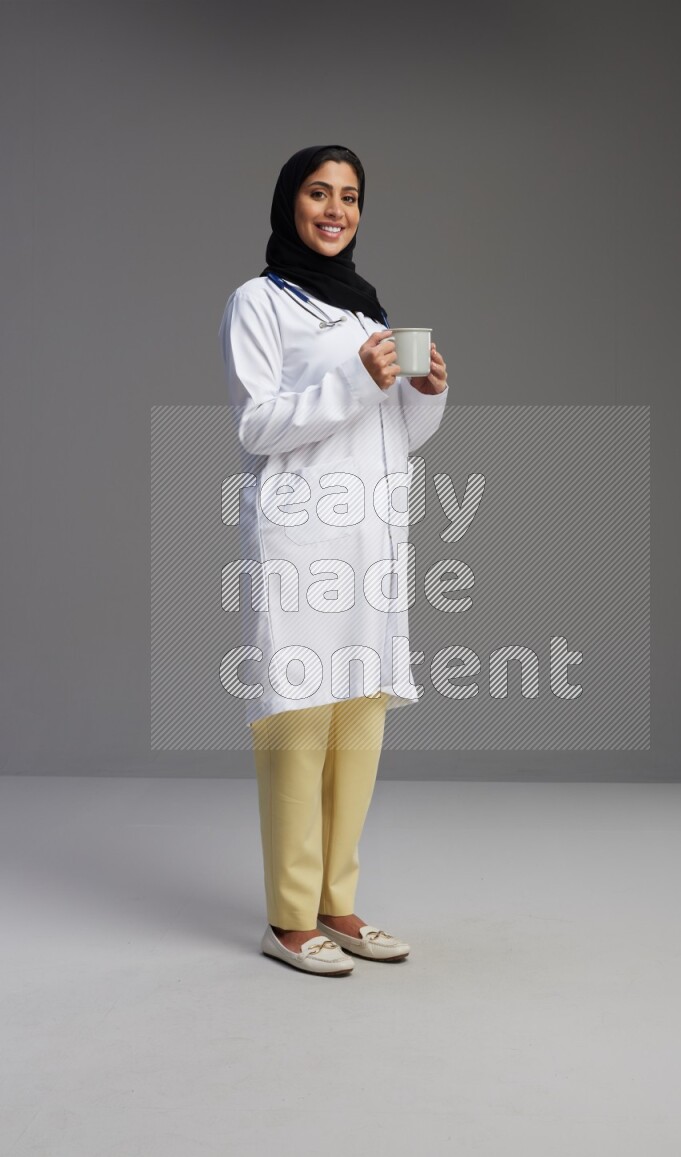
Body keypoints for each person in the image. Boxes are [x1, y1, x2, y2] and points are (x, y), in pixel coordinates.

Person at [219, 144, 449, 976]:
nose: (335, 209)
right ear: (289, 203)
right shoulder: (259, 301)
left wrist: (424, 397)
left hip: (370, 539)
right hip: (300, 540)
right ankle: (287, 919)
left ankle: (337, 904)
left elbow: (387, 437)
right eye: (319, 192)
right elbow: (257, 426)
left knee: (360, 718)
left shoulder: (364, 313)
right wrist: (356, 379)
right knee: (297, 718)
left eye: (350, 196)